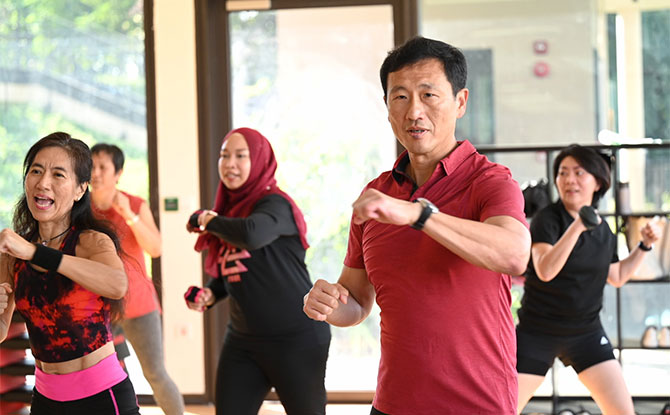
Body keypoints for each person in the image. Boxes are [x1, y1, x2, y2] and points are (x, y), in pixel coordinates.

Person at [303, 36, 531, 414]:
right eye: (401, 97)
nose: (414, 112)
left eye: (429, 95)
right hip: (393, 404)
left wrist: (421, 215)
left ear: (460, 102)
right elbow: (358, 302)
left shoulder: (490, 181)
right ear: (388, 108)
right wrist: (326, 304)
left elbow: (514, 253)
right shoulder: (376, 195)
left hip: (478, 406)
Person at [184, 127, 331, 415]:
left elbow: (251, 235)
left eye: (241, 155)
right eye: (225, 155)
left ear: (260, 160)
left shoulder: (275, 204)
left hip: (295, 339)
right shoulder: (229, 214)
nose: (230, 164)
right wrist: (210, 294)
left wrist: (206, 219)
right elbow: (234, 268)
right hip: (243, 342)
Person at [0, 132, 140, 414]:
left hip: (103, 398)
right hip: (46, 400)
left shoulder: (90, 241)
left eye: (58, 174)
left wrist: (37, 253)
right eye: (36, 171)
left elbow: (117, 285)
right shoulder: (13, 254)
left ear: (80, 189)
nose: (43, 183)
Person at [516, 144, 660, 415]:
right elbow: (545, 270)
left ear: (597, 182)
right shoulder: (547, 220)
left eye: (579, 172)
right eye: (562, 172)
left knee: (623, 412)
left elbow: (616, 276)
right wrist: (578, 225)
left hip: (586, 334)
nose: (569, 179)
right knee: (501, 408)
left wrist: (644, 246)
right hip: (537, 332)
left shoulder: (603, 228)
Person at [90, 143, 184, 415]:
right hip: (101, 309)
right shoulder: (81, 209)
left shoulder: (134, 204)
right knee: (111, 379)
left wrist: (128, 215)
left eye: (103, 167)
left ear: (117, 173)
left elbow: (155, 248)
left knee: (155, 374)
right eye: (92, 166)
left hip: (140, 307)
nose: (96, 172)